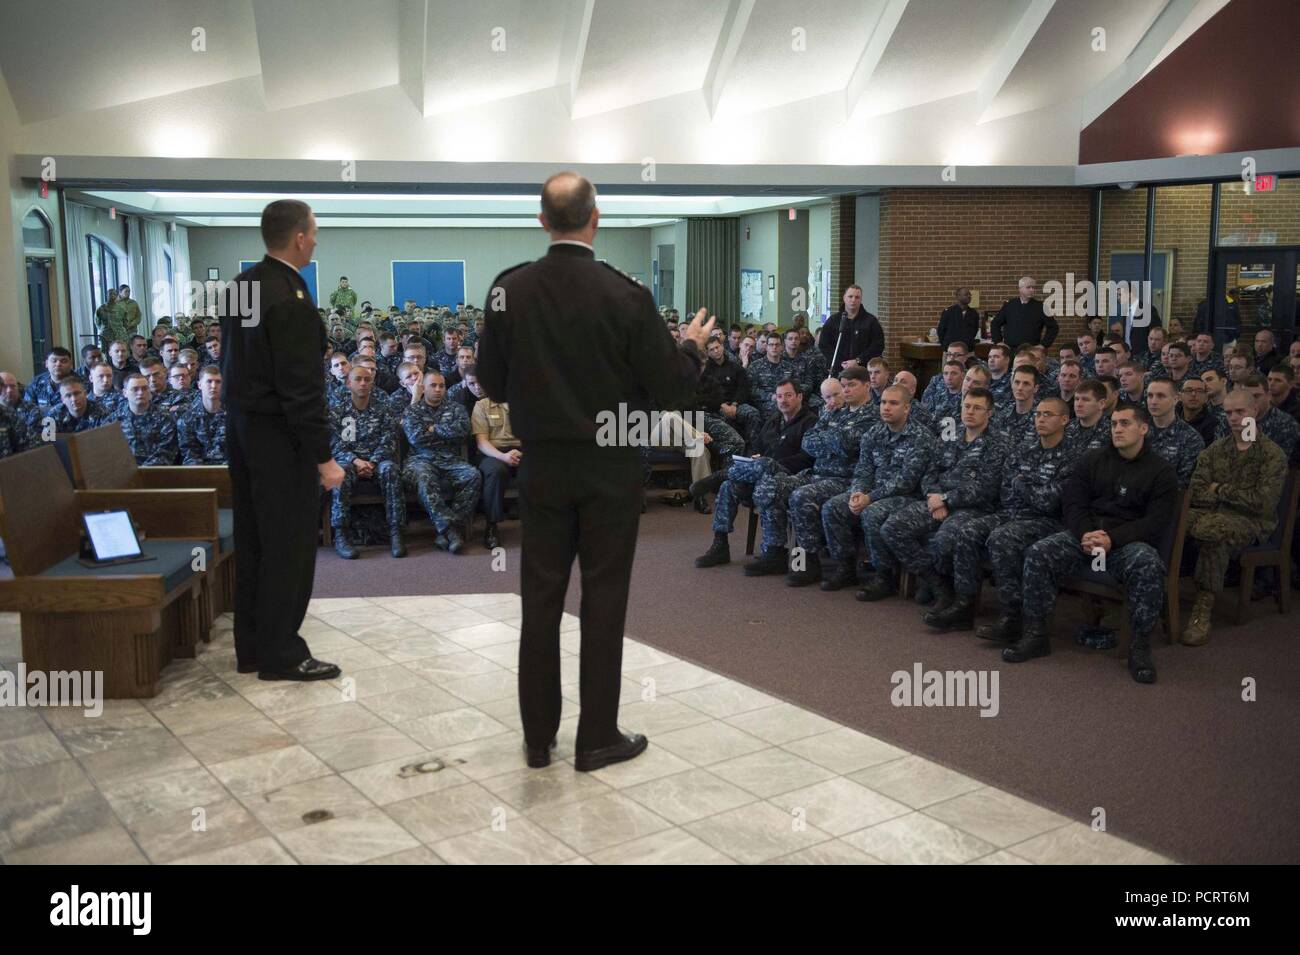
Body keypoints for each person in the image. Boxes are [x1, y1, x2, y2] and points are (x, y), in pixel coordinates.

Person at [477, 171, 710, 773]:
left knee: (540, 600)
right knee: (604, 601)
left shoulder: (509, 290)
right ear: (596, 218)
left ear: (541, 220)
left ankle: (537, 739)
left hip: (544, 466)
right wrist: (690, 347)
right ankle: (597, 738)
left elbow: (493, 384)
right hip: (609, 466)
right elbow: (670, 390)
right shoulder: (626, 295)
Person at [221, 199, 343, 683]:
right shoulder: (289, 297)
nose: (315, 239)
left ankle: (251, 647)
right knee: (289, 547)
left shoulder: (240, 286)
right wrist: (324, 457)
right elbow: (300, 389)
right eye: (313, 232)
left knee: (253, 541)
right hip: (280, 439)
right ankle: (282, 653)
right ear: (297, 237)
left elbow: (234, 364)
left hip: (242, 432)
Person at [1015, 403, 1178, 683]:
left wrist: (1111, 539)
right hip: (1087, 538)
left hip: (1126, 543)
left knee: (1148, 564)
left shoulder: (1161, 471)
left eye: (1125, 424)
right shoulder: (1092, 460)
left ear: (1143, 428)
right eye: (1114, 424)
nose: (1117, 429)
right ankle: (1036, 634)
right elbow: (1073, 503)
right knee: (1039, 553)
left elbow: (1155, 523)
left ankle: (1139, 647)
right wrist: (1086, 535)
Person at [883, 387, 1006, 622]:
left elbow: (987, 488)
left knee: (944, 541)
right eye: (966, 406)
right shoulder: (950, 434)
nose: (970, 412)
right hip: (937, 501)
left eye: (977, 408)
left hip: (973, 508)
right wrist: (934, 496)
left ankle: (959, 601)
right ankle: (937, 583)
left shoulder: (998, 443)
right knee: (893, 527)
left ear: (989, 413)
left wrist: (947, 500)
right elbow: (931, 470)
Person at [1181, 390, 1288, 646]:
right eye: (1229, 413)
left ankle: (1202, 609)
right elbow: (1196, 490)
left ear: (1255, 411)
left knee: (1213, 530)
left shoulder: (1272, 455)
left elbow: (1262, 503)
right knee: (1171, 520)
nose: (1234, 418)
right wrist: (1228, 494)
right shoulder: (1216, 450)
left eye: (1240, 411)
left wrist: (1219, 489)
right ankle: (1156, 592)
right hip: (1210, 513)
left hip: (1253, 522)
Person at [695, 377, 818, 568]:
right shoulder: (773, 421)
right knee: (729, 486)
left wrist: (771, 463)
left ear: (799, 397)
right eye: (779, 396)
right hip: (759, 474)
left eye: (788, 395)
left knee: (766, 466)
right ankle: (720, 545)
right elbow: (755, 446)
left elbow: (807, 458)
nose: (783, 400)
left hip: (793, 477)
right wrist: (753, 458)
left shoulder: (810, 422)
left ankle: (773, 551)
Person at [472, 391, 521, 550]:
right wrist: (503, 456)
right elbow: (481, 442)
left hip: (522, 450)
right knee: (495, 472)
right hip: (492, 452)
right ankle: (491, 525)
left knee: (541, 468)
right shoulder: (482, 405)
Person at [819, 284, 884, 375]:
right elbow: (824, 345)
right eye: (850, 296)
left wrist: (858, 360)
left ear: (860, 300)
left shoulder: (871, 321)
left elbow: (878, 346)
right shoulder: (833, 320)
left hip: (862, 370)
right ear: (844, 298)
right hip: (838, 369)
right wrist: (841, 362)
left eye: (857, 297)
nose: (853, 300)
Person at [178, 366, 227, 465]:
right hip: (199, 472)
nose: (213, 386)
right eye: (209, 381)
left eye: (218, 382)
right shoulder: (187, 418)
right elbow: (189, 454)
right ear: (199, 385)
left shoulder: (235, 416)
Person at [992, 276, 1057, 349]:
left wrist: (1043, 345)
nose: (1032, 290)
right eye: (1028, 287)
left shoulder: (1041, 307)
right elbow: (995, 323)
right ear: (1020, 289)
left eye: (1033, 287)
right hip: (1010, 350)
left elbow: (1053, 327)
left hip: (1032, 350)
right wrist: (998, 341)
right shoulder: (1009, 305)